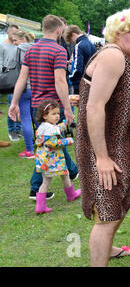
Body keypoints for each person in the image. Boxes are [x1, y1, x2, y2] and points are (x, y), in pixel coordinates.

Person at [75, 8, 130, 267]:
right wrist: (101, 157)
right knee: (106, 215)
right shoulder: (113, 56)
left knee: (123, 200)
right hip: (101, 149)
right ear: (117, 33)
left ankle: (107, 248)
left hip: (117, 148)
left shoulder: (122, 58)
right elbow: (94, 107)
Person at [8, 15, 79, 202]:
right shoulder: (59, 50)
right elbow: (60, 81)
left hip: (36, 107)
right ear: (58, 31)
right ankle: (35, 188)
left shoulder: (31, 50)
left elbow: (22, 79)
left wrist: (14, 103)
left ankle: (72, 171)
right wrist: (67, 108)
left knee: (48, 142)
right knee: (50, 144)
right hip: (53, 107)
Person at [32, 99, 81, 214]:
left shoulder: (45, 126)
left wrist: (64, 124)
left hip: (45, 160)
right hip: (53, 160)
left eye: (58, 113)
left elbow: (57, 128)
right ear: (45, 116)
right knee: (49, 180)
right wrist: (67, 140)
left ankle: (70, 195)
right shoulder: (49, 129)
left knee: (62, 175)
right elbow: (53, 143)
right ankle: (43, 205)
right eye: (53, 114)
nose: (57, 116)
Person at [12, 30, 35, 158]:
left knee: (25, 118)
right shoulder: (36, 48)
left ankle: (30, 150)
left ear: (22, 39)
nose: (14, 43)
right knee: (37, 118)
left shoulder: (18, 50)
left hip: (24, 88)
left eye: (15, 40)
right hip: (37, 87)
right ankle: (44, 144)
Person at [1, 24, 22, 141]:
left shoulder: (17, 45)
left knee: (20, 106)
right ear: (8, 32)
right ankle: (12, 130)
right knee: (12, 105)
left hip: (20, 79)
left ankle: (19, 129)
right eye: (14, 32)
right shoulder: (2, 45)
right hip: (9, 80)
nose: (15, 35)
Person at [64, 25, 97, 94]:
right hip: (91, 82)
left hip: (79, 84)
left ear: (73, 34)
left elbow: (77, 69)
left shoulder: (79, 45)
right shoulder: (92, 45)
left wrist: (70, 78)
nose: (72, 42)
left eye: (71, 39)